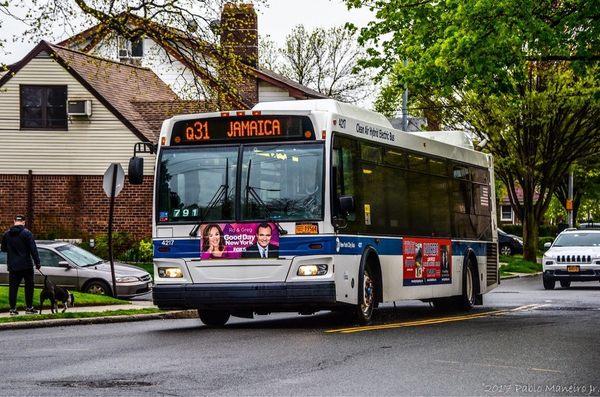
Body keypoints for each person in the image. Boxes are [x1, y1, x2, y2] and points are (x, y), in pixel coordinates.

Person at [0, 215, 41, 315]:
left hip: (13, 265)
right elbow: (33, 249)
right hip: (26, 265)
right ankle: (29, 308)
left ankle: (13, 309)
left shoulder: (6, 234)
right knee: (29, 287)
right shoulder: (27, 233)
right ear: (23, 222)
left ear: (14, 221)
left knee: (13, 287)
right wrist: (37, 262)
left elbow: (3, 249)